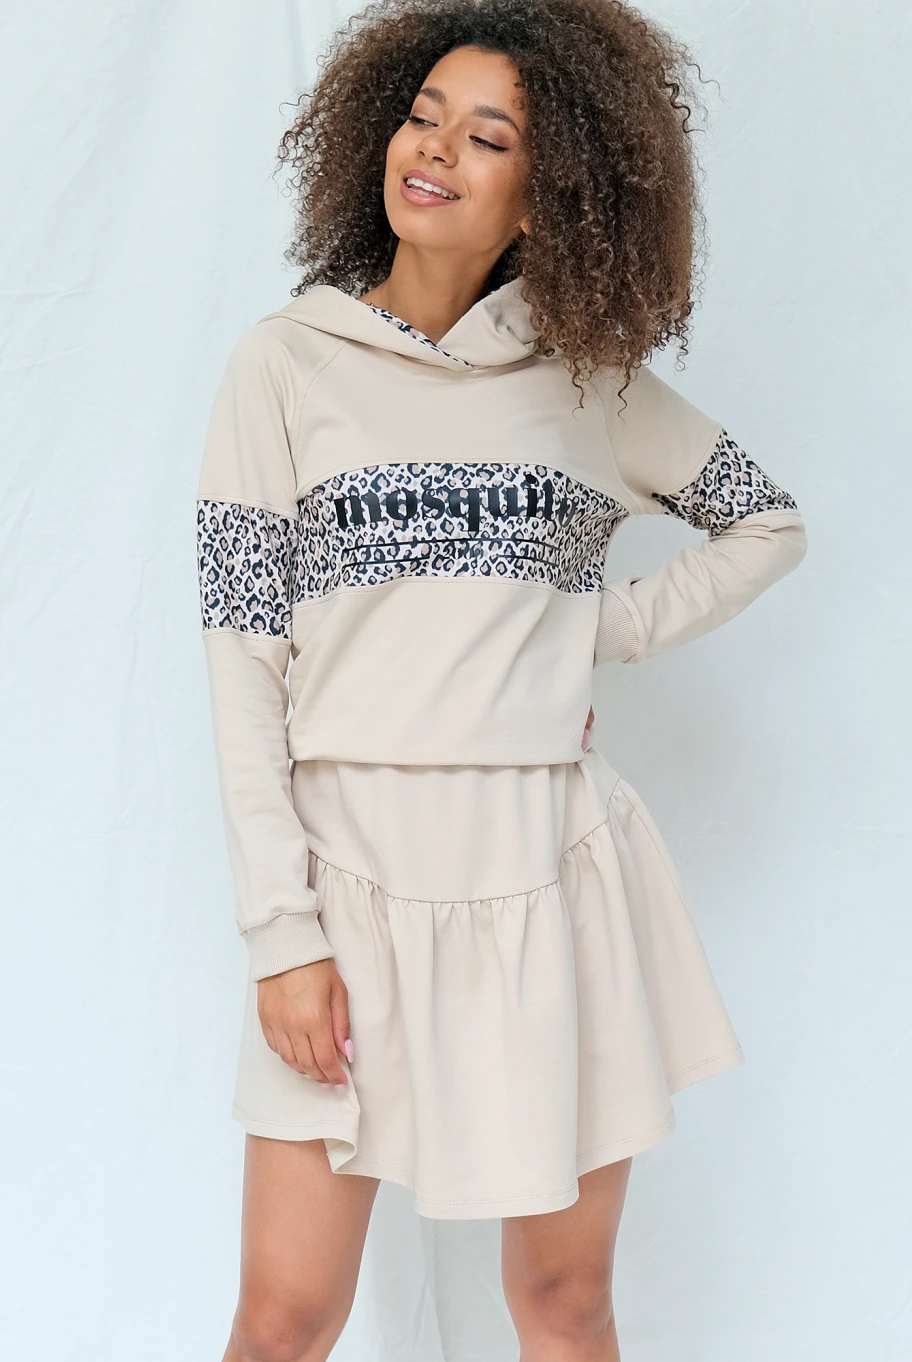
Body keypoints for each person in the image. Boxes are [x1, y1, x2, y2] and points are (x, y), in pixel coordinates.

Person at [195, 2, 808, 1358]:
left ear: (548, 195)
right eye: (423, 117)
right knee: (283, 1316)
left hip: (548, 869)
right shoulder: (281, 365)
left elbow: (766, 521)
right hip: (346, 875)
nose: (435, 150)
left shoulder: (591, 385)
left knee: (564, 1303)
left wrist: (592, 629)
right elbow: (240, 659)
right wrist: (281, 935)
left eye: (488, 137)